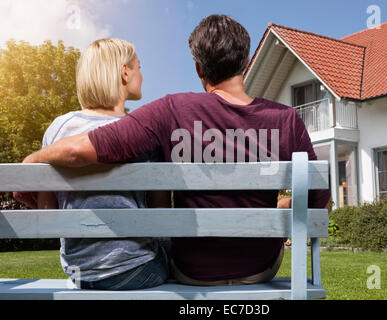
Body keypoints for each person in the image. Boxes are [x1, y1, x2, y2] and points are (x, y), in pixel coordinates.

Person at [16, 15, 330, 286]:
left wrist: (33, 160)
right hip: (261, 268)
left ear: (197, 68)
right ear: (246, 62)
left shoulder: (171, 109)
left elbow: (79, 152)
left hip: (192, 271)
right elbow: (318, 203)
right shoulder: (286, 120)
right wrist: (274, 209)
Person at [19, 38, 171, 290]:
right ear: (124, 72)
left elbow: (48, 212)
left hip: (80, 273)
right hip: (136, 270)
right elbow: (161, 217)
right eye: (139, 68)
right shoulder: (142, 132)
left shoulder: (58, 129)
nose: (142, 75)